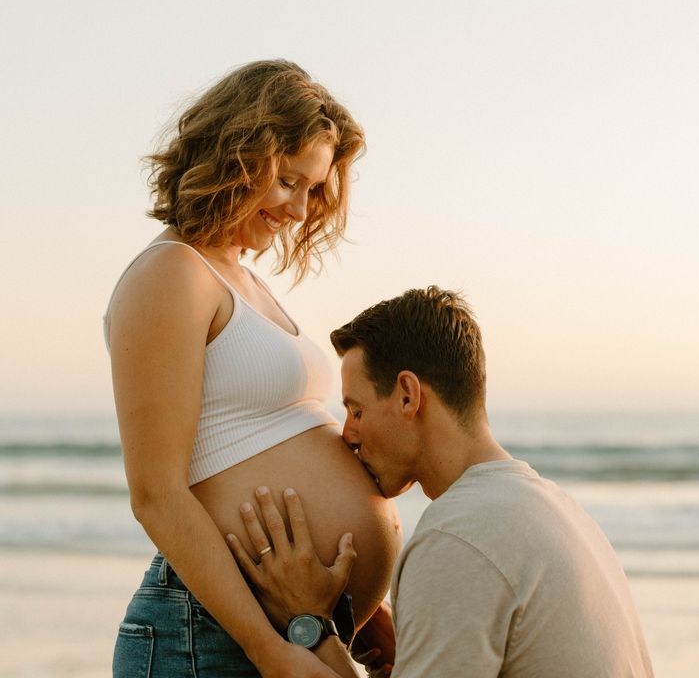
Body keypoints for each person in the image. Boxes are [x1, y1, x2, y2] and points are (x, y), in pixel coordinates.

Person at [104, 60, 401, 678]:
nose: (299, 209)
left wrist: (363, 609)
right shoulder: (171, 275)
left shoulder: (239, 277)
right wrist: (269, 650)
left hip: (293, 622)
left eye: (314, 189)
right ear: (236, 154)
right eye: (289, 181)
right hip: (211, 632)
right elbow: (156, 495)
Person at [228, 286, 654, 678]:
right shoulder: (553, 509)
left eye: (356, 410)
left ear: (408, 395)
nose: (348, 435)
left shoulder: (458, 540)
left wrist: (313, 626)